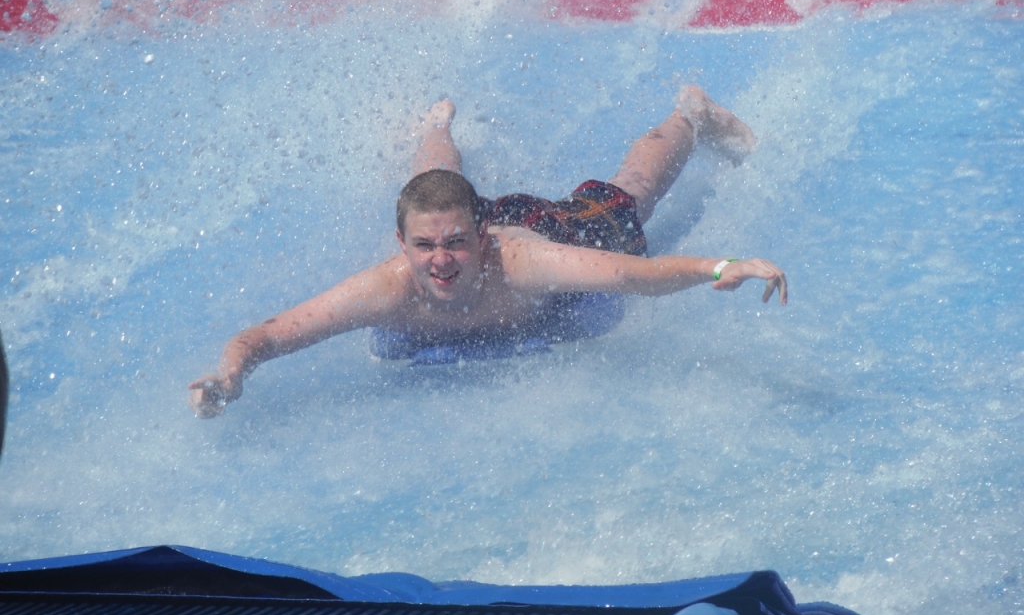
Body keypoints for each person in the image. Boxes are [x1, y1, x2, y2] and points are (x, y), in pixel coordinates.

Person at [188, 86, 787, 418]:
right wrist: (227, 376)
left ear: (480, 239)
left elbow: (638, 276)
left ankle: (690, 115)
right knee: (432, 190)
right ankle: (435, 125)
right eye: (423, 247)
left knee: (631, 196)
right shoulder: (388, 285)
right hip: (471, 211)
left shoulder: (527, 263)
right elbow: (265, 337)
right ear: (402, 245)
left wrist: (720, 266)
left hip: (551, 228)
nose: (440, 261)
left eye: (453, 245)